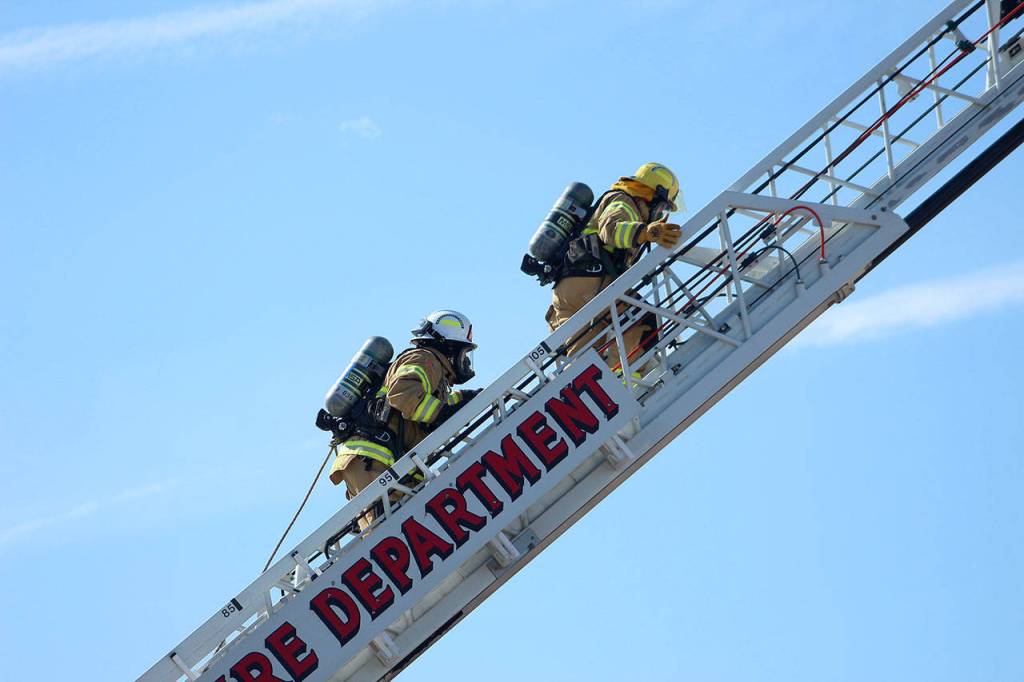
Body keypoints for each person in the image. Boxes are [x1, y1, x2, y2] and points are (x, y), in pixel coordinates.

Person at [319, 310, 481, 526]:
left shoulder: (433, 369)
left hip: (378, 462)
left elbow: (427, 401)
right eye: (464, 352)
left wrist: (464, 399)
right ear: (449, 347)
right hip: (375, 460)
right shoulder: (425, 359)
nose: (465, 361)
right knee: (386, 535)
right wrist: (444, 413)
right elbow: (404, 395)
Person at [545, 163, 684, 368]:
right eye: (662, 207)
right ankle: (619, 376)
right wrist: (645, 233)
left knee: (584, 358)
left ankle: (593, 382)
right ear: (653, 197)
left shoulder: (624, 203)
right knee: (645, 323)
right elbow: (610, 230)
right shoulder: (624, 202)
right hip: (593, 283)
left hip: (569, 290)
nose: (660, 213)